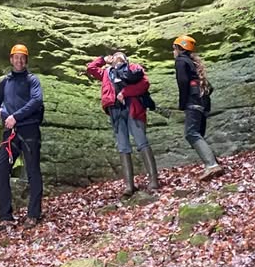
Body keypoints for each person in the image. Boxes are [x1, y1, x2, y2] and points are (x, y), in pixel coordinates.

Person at [87, 51, 159, 196]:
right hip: (115, 110)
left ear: (126, 60)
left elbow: (144, 84)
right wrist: (102, 59)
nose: (117, 57)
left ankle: (153, 180)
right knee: (123, 146)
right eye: (115, 56)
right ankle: (129, 186)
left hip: (133, 108)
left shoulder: (133, 68)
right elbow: (90, 68)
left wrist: (125, 92)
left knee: (141, 141)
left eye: (121, 56)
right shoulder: (106, 73)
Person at [0, 43, 44, 228]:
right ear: (11, 59)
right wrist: (0, 112)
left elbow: (36, 101)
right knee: (1, 170)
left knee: (32, 171)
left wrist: (15, 116)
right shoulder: (5, 82)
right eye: (16, 58)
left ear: (26, 60)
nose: (19, 61)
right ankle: (5, 216)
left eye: (22, 58)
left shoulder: (32, 80)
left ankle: (33, 214)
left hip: (29, 130)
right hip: (10, 132)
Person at [173, 35, 222, 181]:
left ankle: (212, 165)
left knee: (191, 133)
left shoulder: (181, 61)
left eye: (174, 49)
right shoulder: (193, 63)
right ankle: (213, 163)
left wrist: (182, 104)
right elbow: (209, 87)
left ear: (179, 48)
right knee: (197, 133)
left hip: (193, 101)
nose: (173, 52)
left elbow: (183, 82)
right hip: (202, 102)